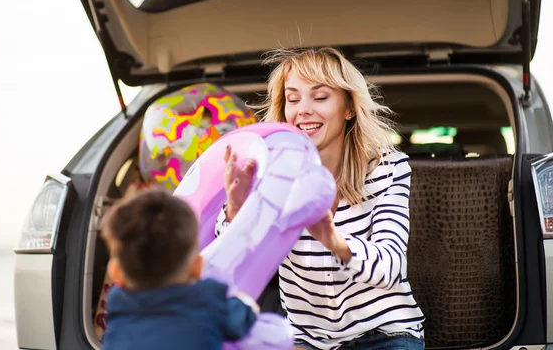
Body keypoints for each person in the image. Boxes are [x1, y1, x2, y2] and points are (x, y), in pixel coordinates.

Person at [215, 47, 425, 350]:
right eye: (293, 98)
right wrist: (237, 209)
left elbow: (390, 266)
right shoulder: (273, 175)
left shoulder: (388, 168)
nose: (303, 109)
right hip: (307, 341)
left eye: (320, 97)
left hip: (385, 335)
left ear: (349, 108)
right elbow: (233, 259)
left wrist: (334, 240)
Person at [100, 188, 259, 350]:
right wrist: (244, 301)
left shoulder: (116, 324)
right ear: (197, 268)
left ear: (116, 273)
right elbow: (242, 319)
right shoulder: (210, 304)